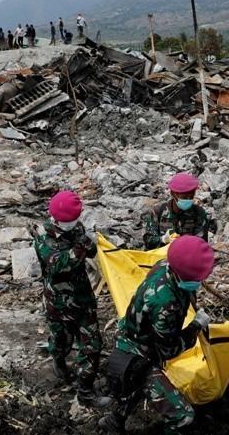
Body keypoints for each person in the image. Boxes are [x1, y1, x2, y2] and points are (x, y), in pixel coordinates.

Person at [99, 235, 213, 435]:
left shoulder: (165, 266)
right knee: (183, 416)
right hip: (138, 356)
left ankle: (113, 421)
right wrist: (196, 326)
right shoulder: (164, 304)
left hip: (138, 345)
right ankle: (115, 420)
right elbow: (169, 350)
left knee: (134, 390)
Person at [32, 191, 111, 408]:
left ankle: (85, 392)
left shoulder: (76, 227)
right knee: (61, 341)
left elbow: (91, 252)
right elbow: (57, 265)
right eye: (68, 221)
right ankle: (59, 363)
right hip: (58, 302)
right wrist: (80, 249)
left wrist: (92, 244)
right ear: (56, 218)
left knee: (92, 345)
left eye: (75, 220)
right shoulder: (43, 235)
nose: (73, 224)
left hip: (83, 298)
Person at [143, 173, 210, 250]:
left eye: (191, 197)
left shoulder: (198, 213)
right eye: (184, 197)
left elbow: (202, 244)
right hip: (162, 257)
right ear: (173, 194)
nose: (188, 200)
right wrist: (163, 239)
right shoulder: (158, 212)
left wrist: (186, 243)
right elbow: (148, 241)